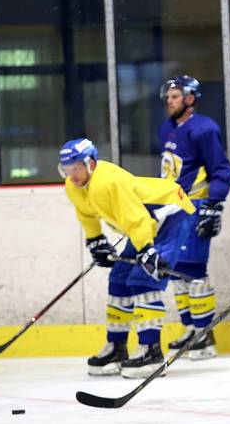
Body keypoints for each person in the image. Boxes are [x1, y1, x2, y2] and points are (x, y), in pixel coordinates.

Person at [60, 138, 196, 378]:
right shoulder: (74, 186)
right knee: (119, 281)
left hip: (170, 213)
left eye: (76, 168)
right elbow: (87, 215)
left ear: (90, 163)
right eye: (67, 170)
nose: (72, 175)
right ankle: (116, 347)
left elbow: (140, 220)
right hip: (143, 224)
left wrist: (147, 250)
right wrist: (95, 240)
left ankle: (151, 350)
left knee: (144, 280)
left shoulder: (108, 182)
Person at [159, 75, 230, 360]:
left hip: (196, 206)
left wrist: (213, 206)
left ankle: (205, 335)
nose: (169, 101)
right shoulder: (167, 128)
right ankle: (190, 328)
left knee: (193, 270)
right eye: (168, 97)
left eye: (175, 96)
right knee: (175, 270)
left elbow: (222, 170)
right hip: (173, 209)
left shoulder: (204, 129)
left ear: (190, 99)